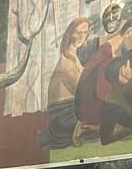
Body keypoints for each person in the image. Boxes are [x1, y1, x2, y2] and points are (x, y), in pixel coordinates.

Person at [39, 18, 92, 149]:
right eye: (78, 32)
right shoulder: (65, 63)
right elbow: (82, 93)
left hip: (73, 109)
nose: (81, 36)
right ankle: (78, 132)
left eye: (85, 32)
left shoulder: (74, 58)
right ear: (70, 34)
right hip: (62, 117)